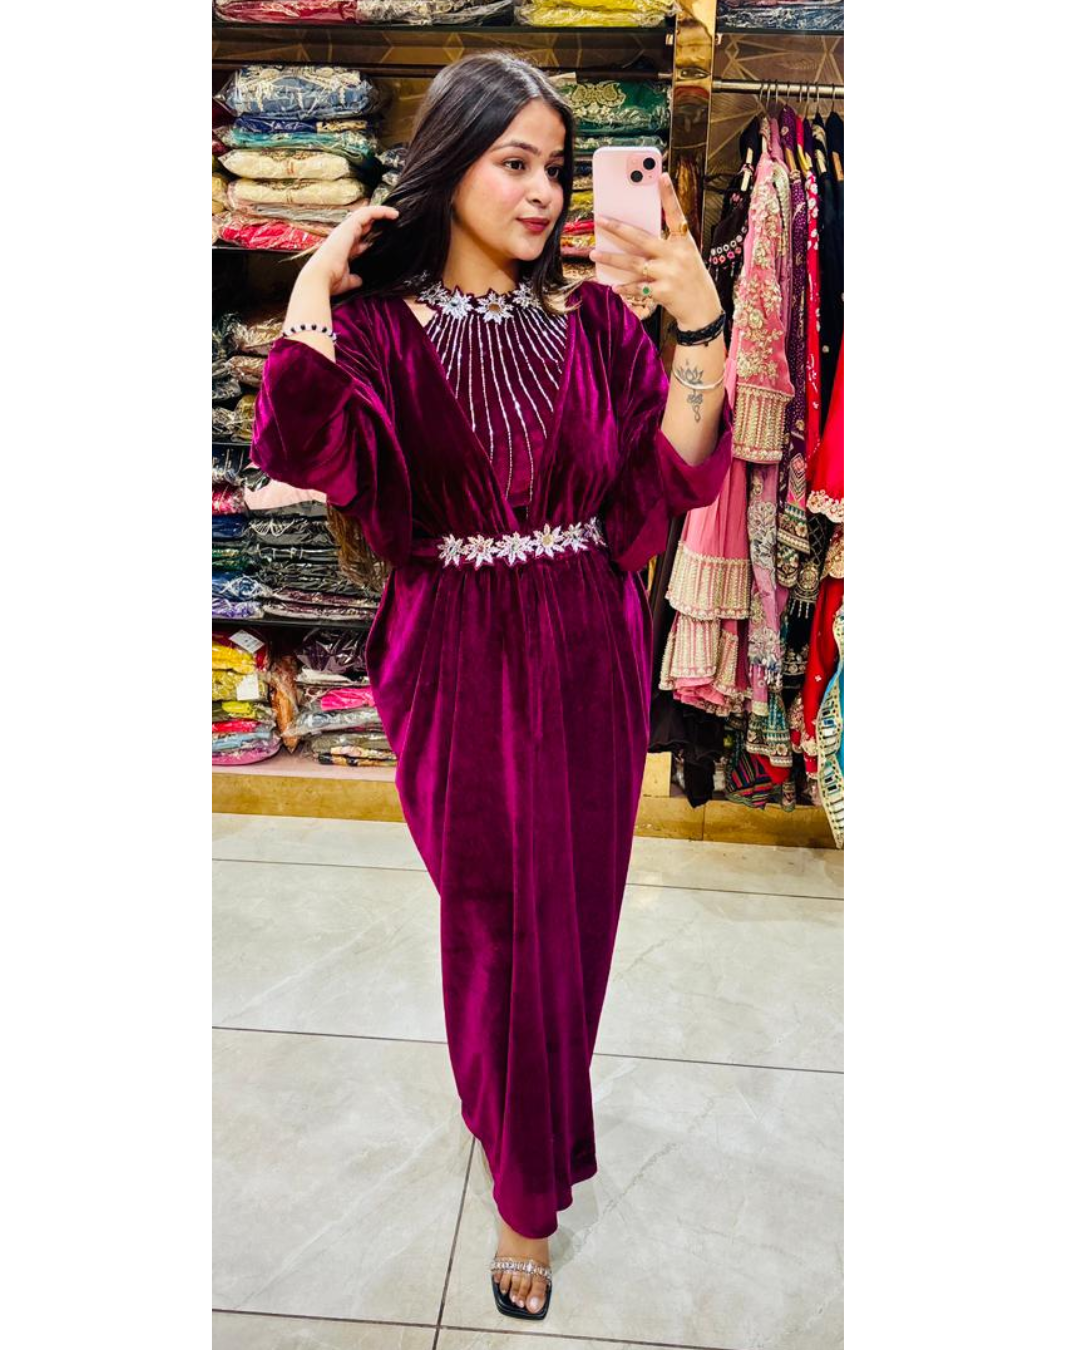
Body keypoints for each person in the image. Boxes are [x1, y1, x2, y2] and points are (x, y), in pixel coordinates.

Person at [248, 51, 734, 1322]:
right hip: (453, 656)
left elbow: (672, 475)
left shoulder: (596, 324)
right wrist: (311, 281)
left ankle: (519, 1131)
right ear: (449, 164)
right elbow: (297, 442)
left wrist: (699, 322)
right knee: (496, 923)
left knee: (572, 922)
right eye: (514, 161)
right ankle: (525, 1182)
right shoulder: (374, 332)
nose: (542, 192)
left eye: (556, 168)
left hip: (588, 644)